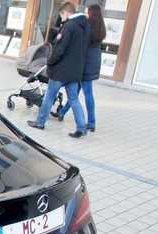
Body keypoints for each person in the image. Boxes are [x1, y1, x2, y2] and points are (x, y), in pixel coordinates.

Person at [27, 2, 90, 138]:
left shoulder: (69, 26)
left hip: (61, 70)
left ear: (66, 13)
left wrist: (50, 62)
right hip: (75, 70)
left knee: (49, 96)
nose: (61, 19)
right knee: (74, 99)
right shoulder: (86, 27)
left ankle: (40, 121)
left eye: (62, 15)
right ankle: (82, 127)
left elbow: (59, 48)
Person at [52, 4, 106, 132]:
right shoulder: (100, 27)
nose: (85, 14)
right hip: (94, 60)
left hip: (86, 61)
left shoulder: (87, 26)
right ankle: (63, 112)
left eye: (87, 13)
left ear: (92, 14)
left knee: (85, 92)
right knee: (75, 91)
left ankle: (91, 122)